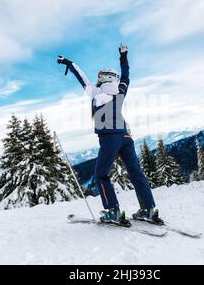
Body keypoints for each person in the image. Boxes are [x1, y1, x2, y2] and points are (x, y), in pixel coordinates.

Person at [57, 44, 163, 226]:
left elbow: (81, 77)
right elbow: (127, 74)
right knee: (136, 173)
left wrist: (69, 63)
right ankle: (148, 209)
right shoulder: (121, 90)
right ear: (114, 78)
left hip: (109, 139)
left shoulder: (95, 92)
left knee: (101, 176)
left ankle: (112, 211)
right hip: (126, 137)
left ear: (102, 78)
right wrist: (124, 56)